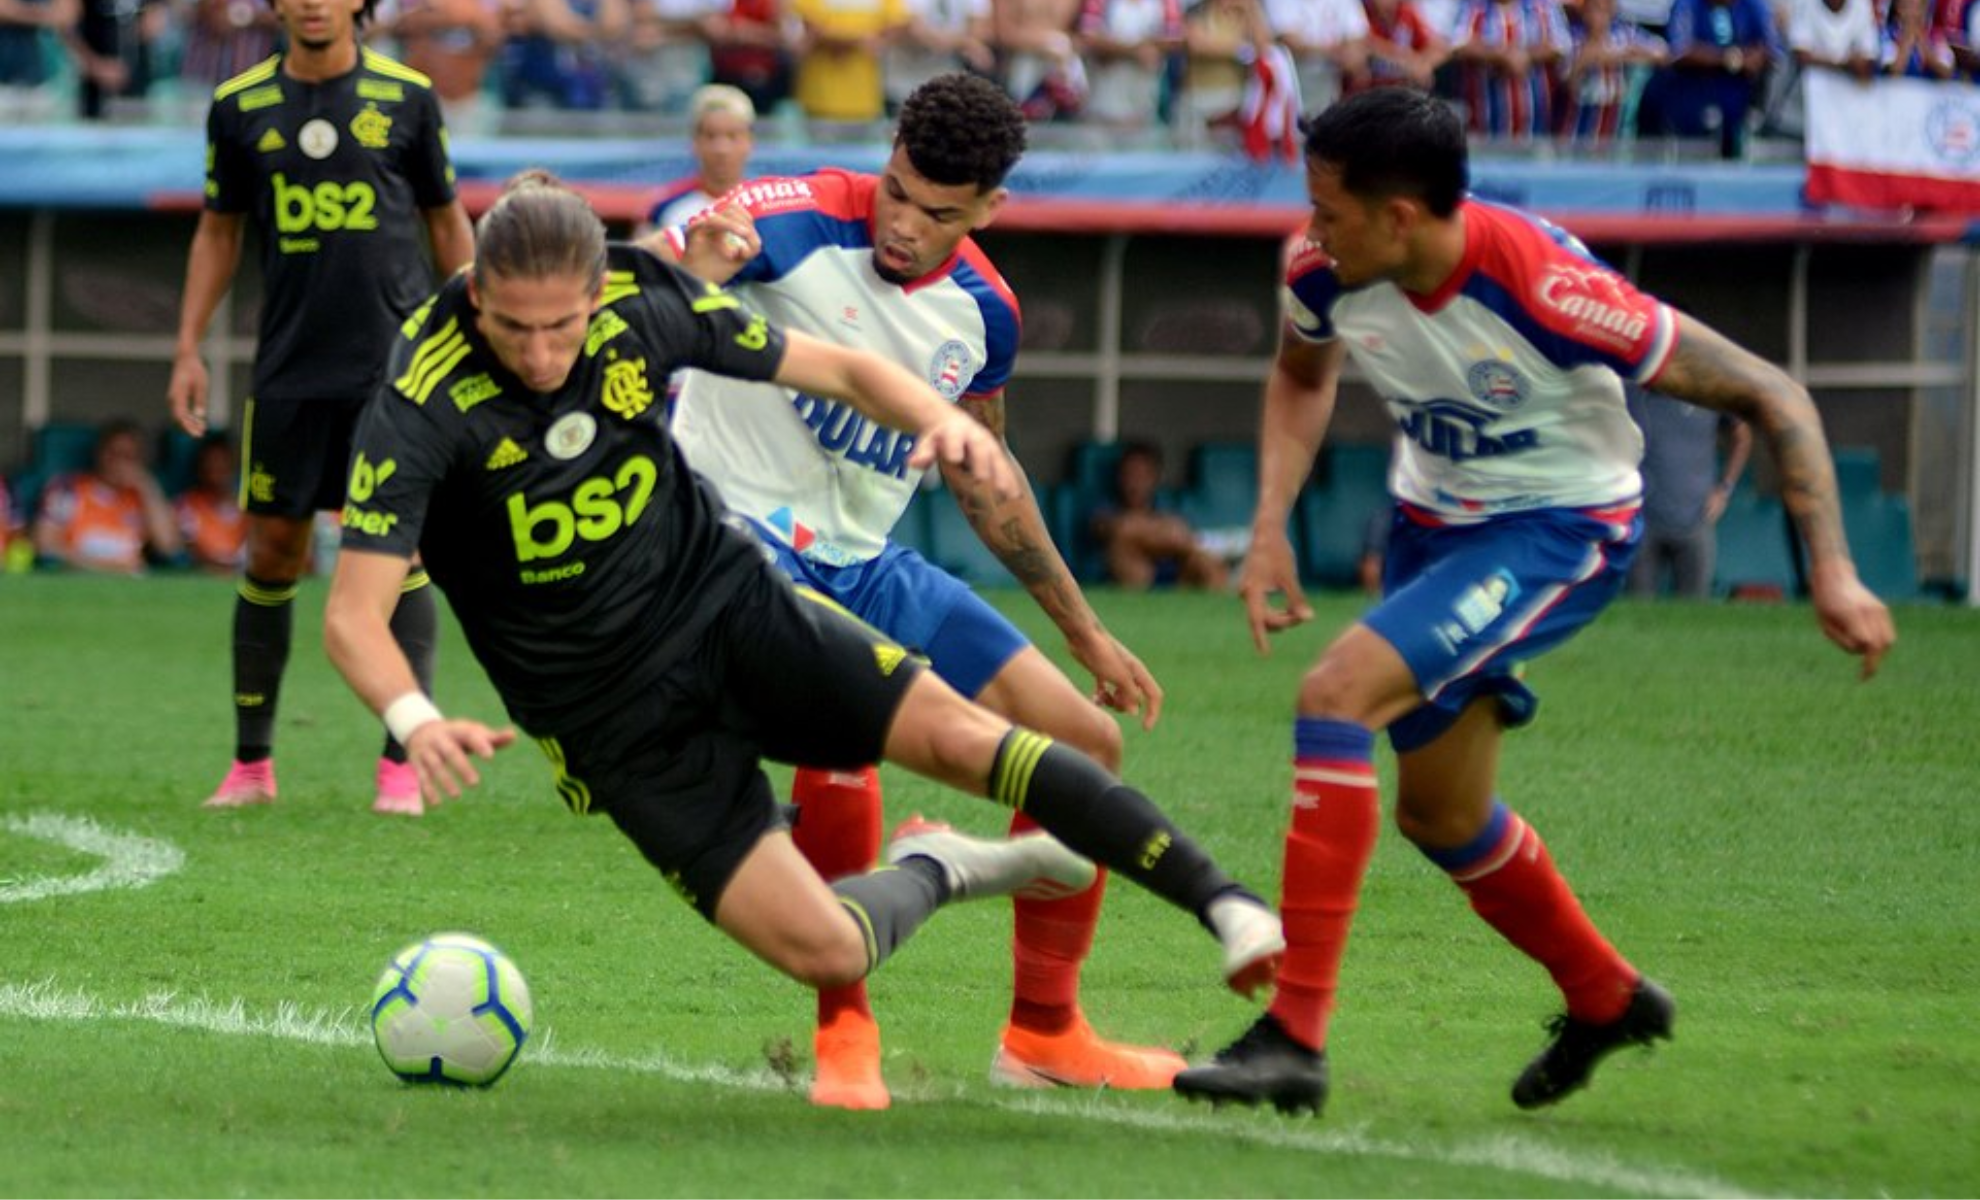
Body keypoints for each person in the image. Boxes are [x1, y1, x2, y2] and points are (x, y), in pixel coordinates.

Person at [321, 175, 1287, 1102]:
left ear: (595, 293)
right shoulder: (416, 402)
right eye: (514, 329)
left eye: (563, 327)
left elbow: (840, 368)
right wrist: (413, 716)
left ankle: (1224, 902)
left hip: (726, 607)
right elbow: (354, 616)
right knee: (824, 947)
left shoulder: (642, 298)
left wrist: (945, 428)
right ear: (474, 292)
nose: (540, 357)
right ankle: (945, 863)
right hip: (608, 721)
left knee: (971, 740)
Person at [1171, 87, 1894, 1117]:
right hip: (1432, 530)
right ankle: (1606, 996)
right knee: (1443, 813)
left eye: (1329, 209)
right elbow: (1299, 376)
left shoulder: (1550, 288)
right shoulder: (1323, 272)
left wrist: (1831, 567)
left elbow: (1772, 393)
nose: (1311, 228)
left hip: (1559, 530)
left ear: (1401, 218)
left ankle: (1294, 1037)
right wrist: (1270, 524)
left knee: (1335, 696)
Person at [648, 73, 1187, 1109]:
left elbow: (986, 477)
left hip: (868, 560)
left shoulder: (985, 312)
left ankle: (1045, 1033)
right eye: (897, 191)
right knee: (844, 730)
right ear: (887, 157)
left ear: (987, 208)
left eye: (938, 211)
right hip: (733, 543)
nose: (903, 224)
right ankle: (844, 1033)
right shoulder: (790, 219)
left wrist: (1086, 632)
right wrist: (696, 267)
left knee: (1091, 749)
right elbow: (671, 291)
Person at [167, 0, 474, 816]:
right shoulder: (238, 106)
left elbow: (447, 222)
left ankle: (402, 765)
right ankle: (250, 768)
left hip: (393, 373)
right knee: (272, 553)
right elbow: (218, 231)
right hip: (290, 373)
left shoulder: (407, 98)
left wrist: (480, 334)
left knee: (399, 557)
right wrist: (188, 346)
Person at [1626, 383, 1750, 599]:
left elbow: (1742, 435)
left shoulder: (1707, 390)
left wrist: (1725, 489)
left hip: (1696, 519)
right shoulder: (1632, 391)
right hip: (1643, 520)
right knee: (1638, 607)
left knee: (1695, 612)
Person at [31, 419, 182, 574]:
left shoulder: (143, 496)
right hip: (78, 577)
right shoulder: (67, 489)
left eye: (129, 456)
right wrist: (103, 566)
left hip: (130, 584)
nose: (119, 462)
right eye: (113, 453)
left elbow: (169, 547)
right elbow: (45, 545)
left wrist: (147, 487)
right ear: (99, 453)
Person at [1089, 440, 1230, 590]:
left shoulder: (1168, 505)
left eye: (1143, 475)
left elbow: (1184, 537)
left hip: (1175, 577)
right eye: (1130, 474)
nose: (1135, 483)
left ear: (1155, 478)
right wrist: (1163, 535)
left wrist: (1165, 537)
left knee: (1207, 563)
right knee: (1122, 544)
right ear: (1120, 477)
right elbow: (1116, 528)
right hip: (1134, 581)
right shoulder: (1105, 507)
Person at [635, 83, 759, 239]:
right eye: (710, 136)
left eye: (732, 136)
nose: (721, 148)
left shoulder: (769, 208)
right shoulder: (663, 208)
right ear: (695, 141)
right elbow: (641, 258)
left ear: (750, 142)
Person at [175, 433, 249, 574]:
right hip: (204, 574)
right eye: (211, 463)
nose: (216, 469)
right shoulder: (187, 503)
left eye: (222, 462)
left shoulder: (248, 505)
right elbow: (187, 548)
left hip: (241, 573)